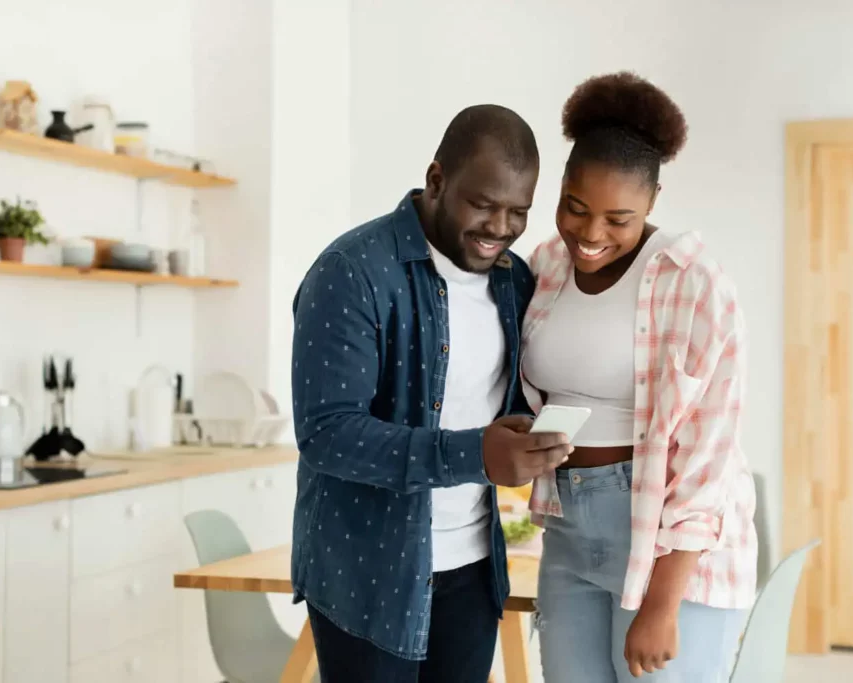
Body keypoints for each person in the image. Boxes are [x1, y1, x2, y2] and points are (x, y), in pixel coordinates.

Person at [290, 104, 572, 682]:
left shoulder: (515, 280)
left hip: (472, 568)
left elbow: (498, 403)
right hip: (367, 573)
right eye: (483, 204)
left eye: (518, 211)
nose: (500, 227)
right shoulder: (352, 270)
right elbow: (326, 434)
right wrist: (474, 454)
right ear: (437, 180)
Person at [520, 72, 757, 682]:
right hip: (568, 529)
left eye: (618, 218)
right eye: (575, 208)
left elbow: (710, 451)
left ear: (652, 201)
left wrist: (663, 599)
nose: (592, 234)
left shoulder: (693, 280)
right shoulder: (544, 265)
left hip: (662, 540)